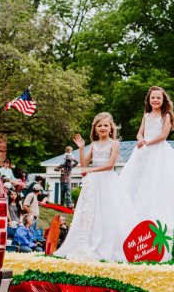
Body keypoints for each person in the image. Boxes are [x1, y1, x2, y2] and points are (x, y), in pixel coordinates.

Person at [54, 112, 138, 262]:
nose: (103, 128)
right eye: (100, 125)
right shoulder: (93, 145)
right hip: (93, 183)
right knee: (91, 213)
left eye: (106, 125)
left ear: (111, 127)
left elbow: (110, 165)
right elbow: (84, 165)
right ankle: (89, 243)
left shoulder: (115, 144)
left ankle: (110, 246)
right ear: (95, 128)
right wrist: (81, 148)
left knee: (108, 212)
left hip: (108, 181)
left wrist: (91, 171)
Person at [120, 86, 174, 230]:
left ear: (163, 100)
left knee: (157, 180)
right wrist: (141, 139)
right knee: (139, 180)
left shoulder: (166, 116)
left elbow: (163, 136)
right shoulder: (146, 115)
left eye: (158, 98)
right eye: (152, 97)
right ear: (149, 100)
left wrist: (148, 142)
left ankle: (157, 214)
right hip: (143, 150)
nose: (155, 100)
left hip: (158, 150)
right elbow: (139, 133)